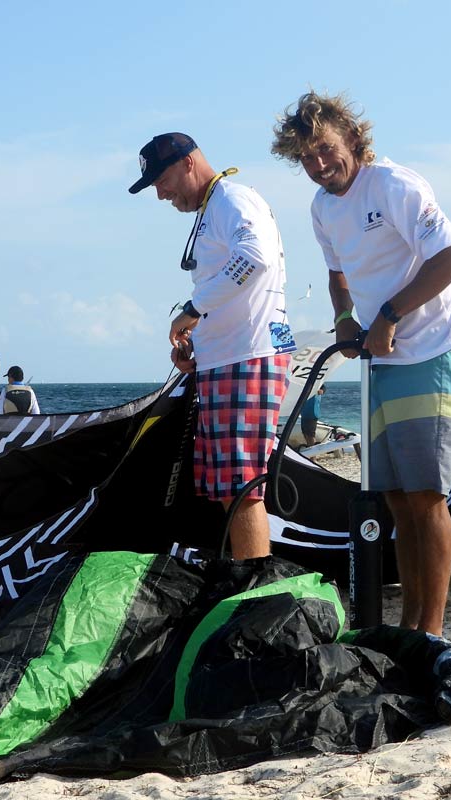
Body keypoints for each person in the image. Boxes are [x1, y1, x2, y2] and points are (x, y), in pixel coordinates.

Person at [272, 92, 451, 636]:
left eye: (325, 149)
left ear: (352, 139)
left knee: (427, 497)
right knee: (397, 501)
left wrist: (388, 314)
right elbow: (339, 275)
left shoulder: (393, 185)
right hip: (380, 365)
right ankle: (409, 629)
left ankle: (429, 635)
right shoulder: (322, 208)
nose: (318, 165)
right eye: (306, 159)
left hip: (431, 352)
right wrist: (344, 316)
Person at [129, 132, 294, 560]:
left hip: (250, 355)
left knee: (241, 486)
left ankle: (255, 588)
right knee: (227, 485)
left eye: (161, 181)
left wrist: (193, 308)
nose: (160, 194)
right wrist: (199, 345)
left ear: (187, 163)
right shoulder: (212, 208)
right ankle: (243, 578)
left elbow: (255, 257)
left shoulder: (232, 200)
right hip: (228, 358)